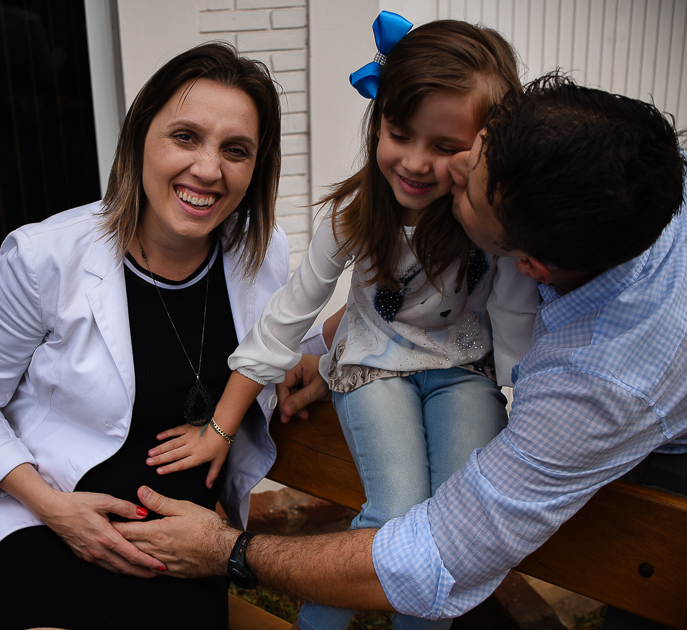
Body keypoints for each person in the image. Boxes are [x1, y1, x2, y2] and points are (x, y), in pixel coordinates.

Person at [116, 73, 687, 623]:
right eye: (474, 145)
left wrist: (229, 550)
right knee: (400, 505)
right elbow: (371, 303)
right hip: (395, 377)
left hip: (647, 437)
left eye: (462, 174)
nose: (442, 167)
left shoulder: (591, 385)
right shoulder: (600, 172)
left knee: (655, 578)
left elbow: (437, 562)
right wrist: (329, 359)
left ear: (525, 263)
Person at [144, 16, 538, 630]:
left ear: (489, 145)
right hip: (373, 366)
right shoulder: (352, 217)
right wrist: (221, 427)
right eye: (399, 134)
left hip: (464, 369)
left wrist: (531, 412)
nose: (415, 162)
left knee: (454, 532)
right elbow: (287, 317)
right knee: (395, 513)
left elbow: (514, 316)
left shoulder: (493, 225)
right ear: (378, 121)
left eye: (445, 147)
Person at [0, 42, 321, 630]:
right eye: (185, 137)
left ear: (256, 167)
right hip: (42, 521)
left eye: (235, 150)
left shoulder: (261, 254)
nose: (208, 169)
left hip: (182, 540)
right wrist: (56, 510)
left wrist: (324, 362)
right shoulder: (45, 257)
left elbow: (288, 344)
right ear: (140, 137)